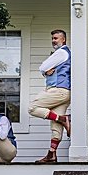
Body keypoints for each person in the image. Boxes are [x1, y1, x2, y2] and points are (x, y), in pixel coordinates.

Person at [29, 28, 72, 163]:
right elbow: (46, 70)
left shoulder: (61, 53)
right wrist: (46, 72)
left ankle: (63, 119)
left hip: (58, 90)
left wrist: (44, 71)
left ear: (63, 39)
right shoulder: (64, 54)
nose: (53, 41)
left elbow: (42, 67)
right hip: (65, 92)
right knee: (55, 127)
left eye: (56, 38)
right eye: (52, 38)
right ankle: (51, 154)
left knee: (32, 108)